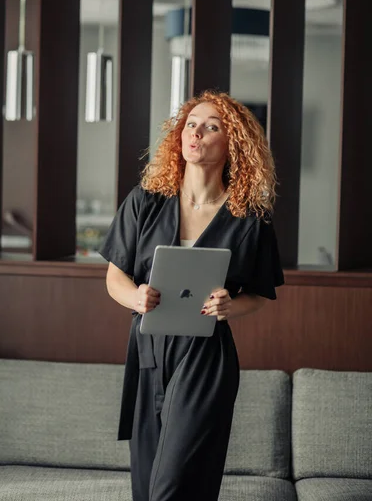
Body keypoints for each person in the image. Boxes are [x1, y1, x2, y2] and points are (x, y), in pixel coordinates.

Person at [99, 90, 284, 501]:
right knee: (147, 488)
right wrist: (136, 298)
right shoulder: (144, 203)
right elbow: (115, 279)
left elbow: (260, 294)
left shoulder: (250, 219)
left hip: (205, 356)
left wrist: (230, 306)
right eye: (191, 124)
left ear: (232, 144)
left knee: (175, 484)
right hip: (148, 351)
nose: (196, 132)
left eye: (211, 126)